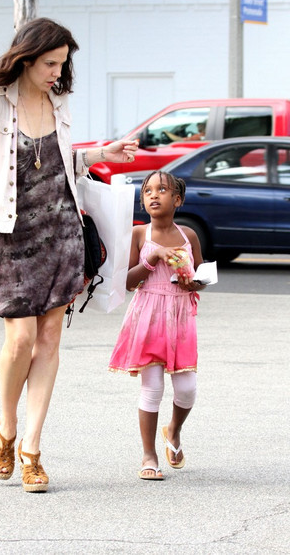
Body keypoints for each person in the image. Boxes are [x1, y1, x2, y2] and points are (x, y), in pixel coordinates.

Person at [0, 17, 138, 493]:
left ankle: (32, 449)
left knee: (51, 337)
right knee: (19, 340)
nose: (59, 72)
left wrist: (103, 153)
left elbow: (56, 161)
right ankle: (6, 428)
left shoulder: (61, 101)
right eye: (51, 63)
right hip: (14, 235)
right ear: (28, 58)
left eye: (63, 63)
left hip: (62, 231)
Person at [108, 171, 205, 480]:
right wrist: (153, 259)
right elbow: (125, 282)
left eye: (161, 190)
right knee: (152, 387)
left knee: (187, 389)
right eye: (148, 191)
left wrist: (193, 283)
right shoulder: (140, 235)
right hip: (147, 315)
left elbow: (202, 277)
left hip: (179, 317)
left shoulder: (188, 235)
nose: (153, 195)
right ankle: (149, 455)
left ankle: (173, 431)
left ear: (177, 200)